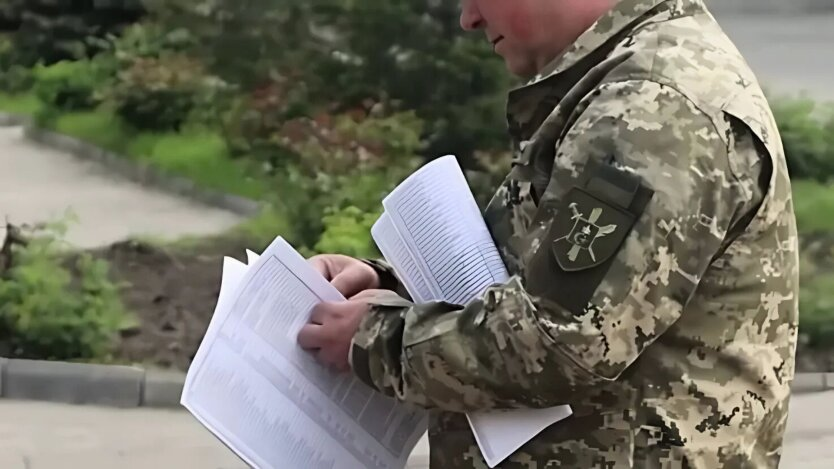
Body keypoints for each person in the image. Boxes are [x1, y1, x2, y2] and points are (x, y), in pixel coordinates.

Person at [297, 0, 800, 466]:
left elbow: (559, 343)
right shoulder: (624, 85)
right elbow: (545, 281)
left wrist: (375, 338)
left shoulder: (652, 108)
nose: (468, 18)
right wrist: (391, 288)